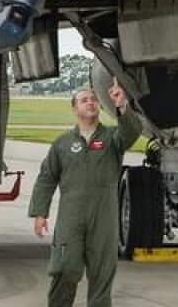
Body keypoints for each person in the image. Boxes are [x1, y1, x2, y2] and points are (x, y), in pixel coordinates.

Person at [29, 83, 142, 307]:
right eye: (84, 100)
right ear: (74, 109)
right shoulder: (63, 143)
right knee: (64, 268)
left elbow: (132, 132)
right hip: (71, 217)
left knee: (102, 276)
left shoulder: (112, 138)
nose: (90, 102)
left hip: (104, 218)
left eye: (93, 99)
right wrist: (40, 212)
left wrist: (122, 106)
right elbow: (46, 177)